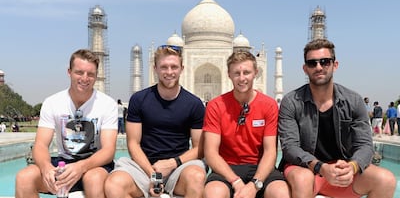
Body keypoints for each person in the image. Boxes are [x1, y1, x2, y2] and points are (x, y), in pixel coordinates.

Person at [278, 39, 396, 198]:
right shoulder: (291, 101)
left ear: (335, 65)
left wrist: (352, 167)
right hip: (306, 169)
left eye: (325, 62)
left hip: (341, 171)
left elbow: (365, 145)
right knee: (302, 178)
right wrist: (321, 167)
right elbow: (290, 147)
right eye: (312, 63)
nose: (319, 67)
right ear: (305, 69)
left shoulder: (353, 101)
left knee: (386, 180)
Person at [104, 45, 207, 198]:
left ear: (182, 69)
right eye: (164, 67)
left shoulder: (194, 104)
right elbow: (133, 143)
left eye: (174, 67)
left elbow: (200, 148)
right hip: (143, 167)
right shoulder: (139, 99)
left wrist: (171, 164)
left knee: (196, 177)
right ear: (155, 69)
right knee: (114, 184)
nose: (169, 72)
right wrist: (154, 175)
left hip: (179, 168)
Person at [15, 49, 118, 198]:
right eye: (79, 72)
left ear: (96, 76)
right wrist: (46, 168)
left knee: (93, 179)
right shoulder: (53, 102)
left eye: (90, 74)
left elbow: (108, 150)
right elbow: (41, 145)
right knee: (24, 178)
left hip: (95, 165)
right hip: (63, 164)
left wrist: (80, 167)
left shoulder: (107, 104)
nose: (85, 78)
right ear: (69, 72)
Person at [203, 51, 290, 198]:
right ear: (229, 74)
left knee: (280, 193)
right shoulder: (215, 106)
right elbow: (211, 153)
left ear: (256, 72)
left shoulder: (268, 105)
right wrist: (235, 181)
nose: (242, 78)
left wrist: (255, 184)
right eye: (237, 73)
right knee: (213, 193)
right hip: (226, 168)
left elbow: (270, 152)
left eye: (246, 72)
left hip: (260, 168)